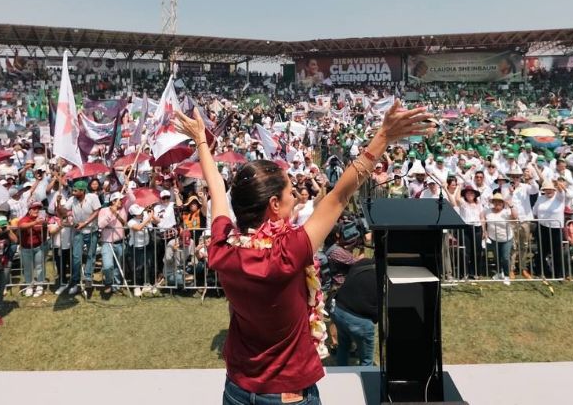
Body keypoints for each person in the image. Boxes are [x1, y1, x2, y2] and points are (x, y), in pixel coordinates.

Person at [173, 100, 431, 404]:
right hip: (288, 394)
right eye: (288, 192)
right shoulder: (287, 253)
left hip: (238, 388)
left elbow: (216, 187)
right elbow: (339, 195)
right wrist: (384, 136)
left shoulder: (223, 247)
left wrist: (201, 140)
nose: (295, 195)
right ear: (273, 206)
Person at [59, 180, 102, 295]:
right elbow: (63, 212)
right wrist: (58, 204)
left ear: (82, 191)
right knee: (76, 257)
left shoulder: (93, 197)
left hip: (92, 231)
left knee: (91, 255)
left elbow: (97, 211)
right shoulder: (72, 199)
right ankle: (75, 281)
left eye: (75, 190)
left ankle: (88, 278)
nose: (73, 192)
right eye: (73, 190)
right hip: (78, 231)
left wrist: (86, 223)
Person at [331, 258, 377, 366]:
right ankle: (366, 381)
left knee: (343, 346)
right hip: (360, 321)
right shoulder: (383, 275)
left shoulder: (362, 262)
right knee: (366, 360)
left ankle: (341, 374)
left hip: (339, 311)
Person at [16, 201, 47, 297]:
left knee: (39, 267)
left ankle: (40, 285)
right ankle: (29, 286)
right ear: (29, 210)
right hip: (26, 248)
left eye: (38, 208)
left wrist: (44, 222)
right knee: (28, 268)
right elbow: (21, 225)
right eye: (34, 208)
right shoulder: (25, 218)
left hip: (39, 246)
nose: (36, 210)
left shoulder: (42, 218)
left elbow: (48, 226)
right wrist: (35, 222)